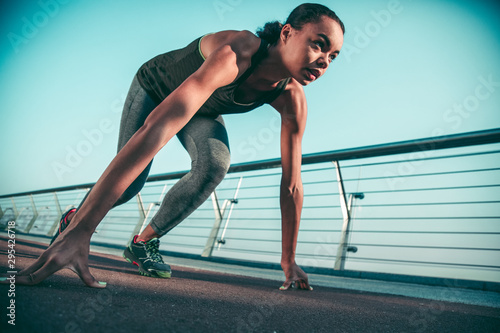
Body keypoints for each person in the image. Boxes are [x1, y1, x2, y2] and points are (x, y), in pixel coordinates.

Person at [2, 3, 344, 290]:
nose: (325, 60)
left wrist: (288, 261)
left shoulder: (290, 99)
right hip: (156, 87)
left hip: (202, 107)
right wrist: (84, 231)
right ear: (287, 33)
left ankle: (143, 242)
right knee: (131, 183)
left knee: (214, 164)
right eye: (319, 44)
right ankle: (75, 221)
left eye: (333, 55)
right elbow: (159, 126)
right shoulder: (237, 52)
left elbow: (292, 184)